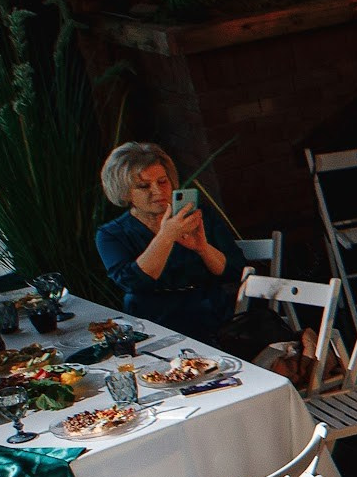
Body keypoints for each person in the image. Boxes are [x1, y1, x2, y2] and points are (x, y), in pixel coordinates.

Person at [93, 141, 246, 344]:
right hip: (153, 323)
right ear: (124, 193)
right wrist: (166, 236)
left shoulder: (200, 216)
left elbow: (235, 271)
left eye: (162, 181)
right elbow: (133, 283)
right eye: (144, 186)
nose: (157, 191)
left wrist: (202, 248)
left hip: (211, 315)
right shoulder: (111, 234)